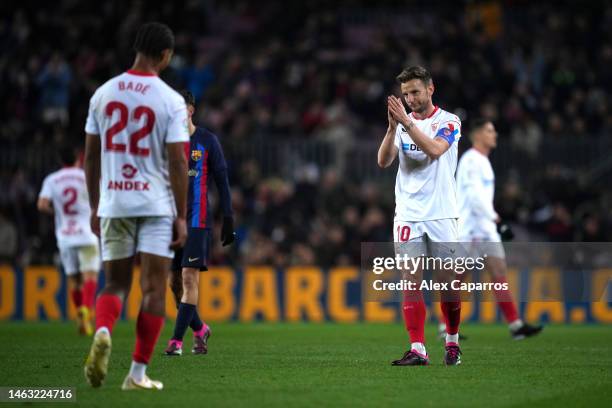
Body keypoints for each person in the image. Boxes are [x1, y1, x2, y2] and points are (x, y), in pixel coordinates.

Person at [83, 22, 189, 391]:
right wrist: (180, 214)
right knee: (154, 289)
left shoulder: (102, 94)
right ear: (166, 56)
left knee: (114, 283)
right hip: (156, 205)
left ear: (136, 48)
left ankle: (102, 330)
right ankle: (137, 374)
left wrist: (96, 206)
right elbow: (177, 162)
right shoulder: (171, 100)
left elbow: (91, 158)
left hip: (114, 201)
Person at [379, 65, 463, 366]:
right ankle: (418, 348)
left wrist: (406, 124)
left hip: (442, 214)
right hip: (408, 214)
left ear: (430, 89)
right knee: (410, 281)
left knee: (448, 284)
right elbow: (384, 161)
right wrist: (392, 129)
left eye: (415, 91)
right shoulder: (402, 124)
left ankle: (452, 343)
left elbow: (436, 150)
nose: (410, 99)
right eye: (405, 94)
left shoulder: (449, 121)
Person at [456, 119, 543, 339]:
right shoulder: (471, 161)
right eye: (489, 131)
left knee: (497, 273)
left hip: (484, 228)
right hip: (471, 228)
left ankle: (515, 325)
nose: (494, 134)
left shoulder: (482, 161)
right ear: (477, 136)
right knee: (458, 277)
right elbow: (475, 197)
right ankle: (445, 326)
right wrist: (496, 219)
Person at [164, 90, 235, 356]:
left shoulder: (207, 140)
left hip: (197, 220)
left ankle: (176, 341)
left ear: (190, 109)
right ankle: (200, 329)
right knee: (173, 283)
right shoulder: (166, 142)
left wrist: (228, 217)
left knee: (188, 278)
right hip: (170, 220)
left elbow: (222, 179)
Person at [37, 146, 100, 336]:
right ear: (78, 159)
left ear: (60, 160)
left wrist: (56, 212)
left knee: (75, 280)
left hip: (65, 235)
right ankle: (87, 309)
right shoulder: (85, 177)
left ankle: (80, 312)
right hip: (86, 233)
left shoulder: (51, 180)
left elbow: (41, 205)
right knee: (90, 277)